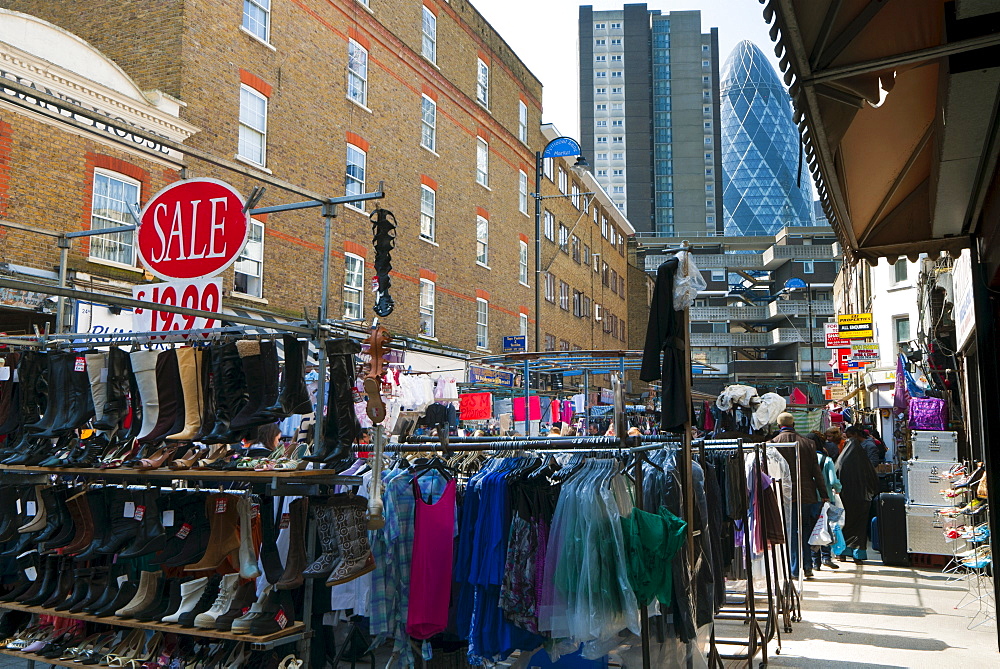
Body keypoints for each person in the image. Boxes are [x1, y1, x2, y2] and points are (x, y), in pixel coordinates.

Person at [768, 413, 828, 579]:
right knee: (805, 529)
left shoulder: (772, 444)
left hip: (783, 495)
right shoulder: (808, 443)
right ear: (793, 423)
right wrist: (824, 494)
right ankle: (807, 566)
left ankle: (794, 569)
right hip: (807, 495)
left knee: (791, 531)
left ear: (778, 425)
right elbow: (817, 472)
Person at [836, 428, 879, 563]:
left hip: (844, 500)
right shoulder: (865, 463)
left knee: (844, 526)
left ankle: (842, 553)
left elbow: (835, 479)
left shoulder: (841, 463)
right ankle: (858, 554)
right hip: (862, 500)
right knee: (859, 529)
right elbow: (874, 480)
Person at [810, 432, 842, 570]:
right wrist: (838, 488)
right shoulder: (827, 460)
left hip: (810, 498)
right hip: (826, 498)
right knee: (826, 527)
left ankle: (814, 561)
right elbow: (833, 481)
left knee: (812, 529)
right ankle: (826, 557)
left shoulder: (805, 459)